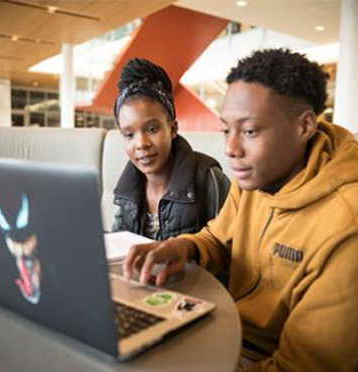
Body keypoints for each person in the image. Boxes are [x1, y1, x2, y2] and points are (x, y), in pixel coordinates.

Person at [123, 49, 358, 372]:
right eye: (226, 130)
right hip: (223, 331)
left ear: (304, 126)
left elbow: (302, 367)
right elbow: (218, 238)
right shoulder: (257, 177)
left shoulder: (347, 229)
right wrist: (185, 246)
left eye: (249, 131)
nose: (230, 149)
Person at [111, 58, 231, 240]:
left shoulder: (209, 179)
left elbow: (229, 251)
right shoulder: (129, 186)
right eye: (129, 135)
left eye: (152, 129)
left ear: (173, 129)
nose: (141, 143)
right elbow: (116, 244)